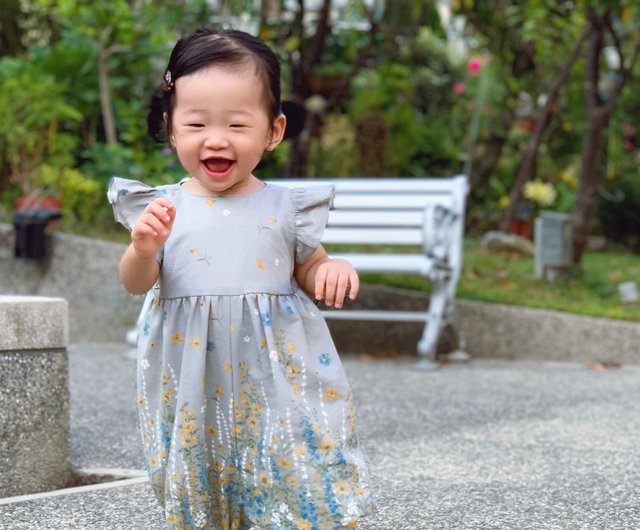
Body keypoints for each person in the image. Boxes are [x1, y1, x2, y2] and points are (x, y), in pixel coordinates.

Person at [108, 27, 374, 530]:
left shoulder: (285, 207)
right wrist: (142, 248)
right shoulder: (164, 208)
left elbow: (310, 265)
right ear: (171, 128)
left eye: (236, 123)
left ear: (272, 131)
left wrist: (329, 268)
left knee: (289, 453)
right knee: (203, 456)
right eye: (197, 123)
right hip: (192, 375)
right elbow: (135, 282)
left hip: (275, 371)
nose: (216, 138)